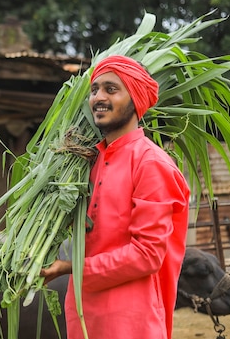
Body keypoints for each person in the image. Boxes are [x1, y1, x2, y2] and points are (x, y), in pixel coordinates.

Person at [40, 55, 190, 339]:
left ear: (135, 99)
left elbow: (147, 255)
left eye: (111, 89)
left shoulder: (151, 163)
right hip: (85, 314)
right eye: (95, 89)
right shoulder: (87, 163)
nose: (98, 97)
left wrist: (70, 267)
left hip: (130, 320)